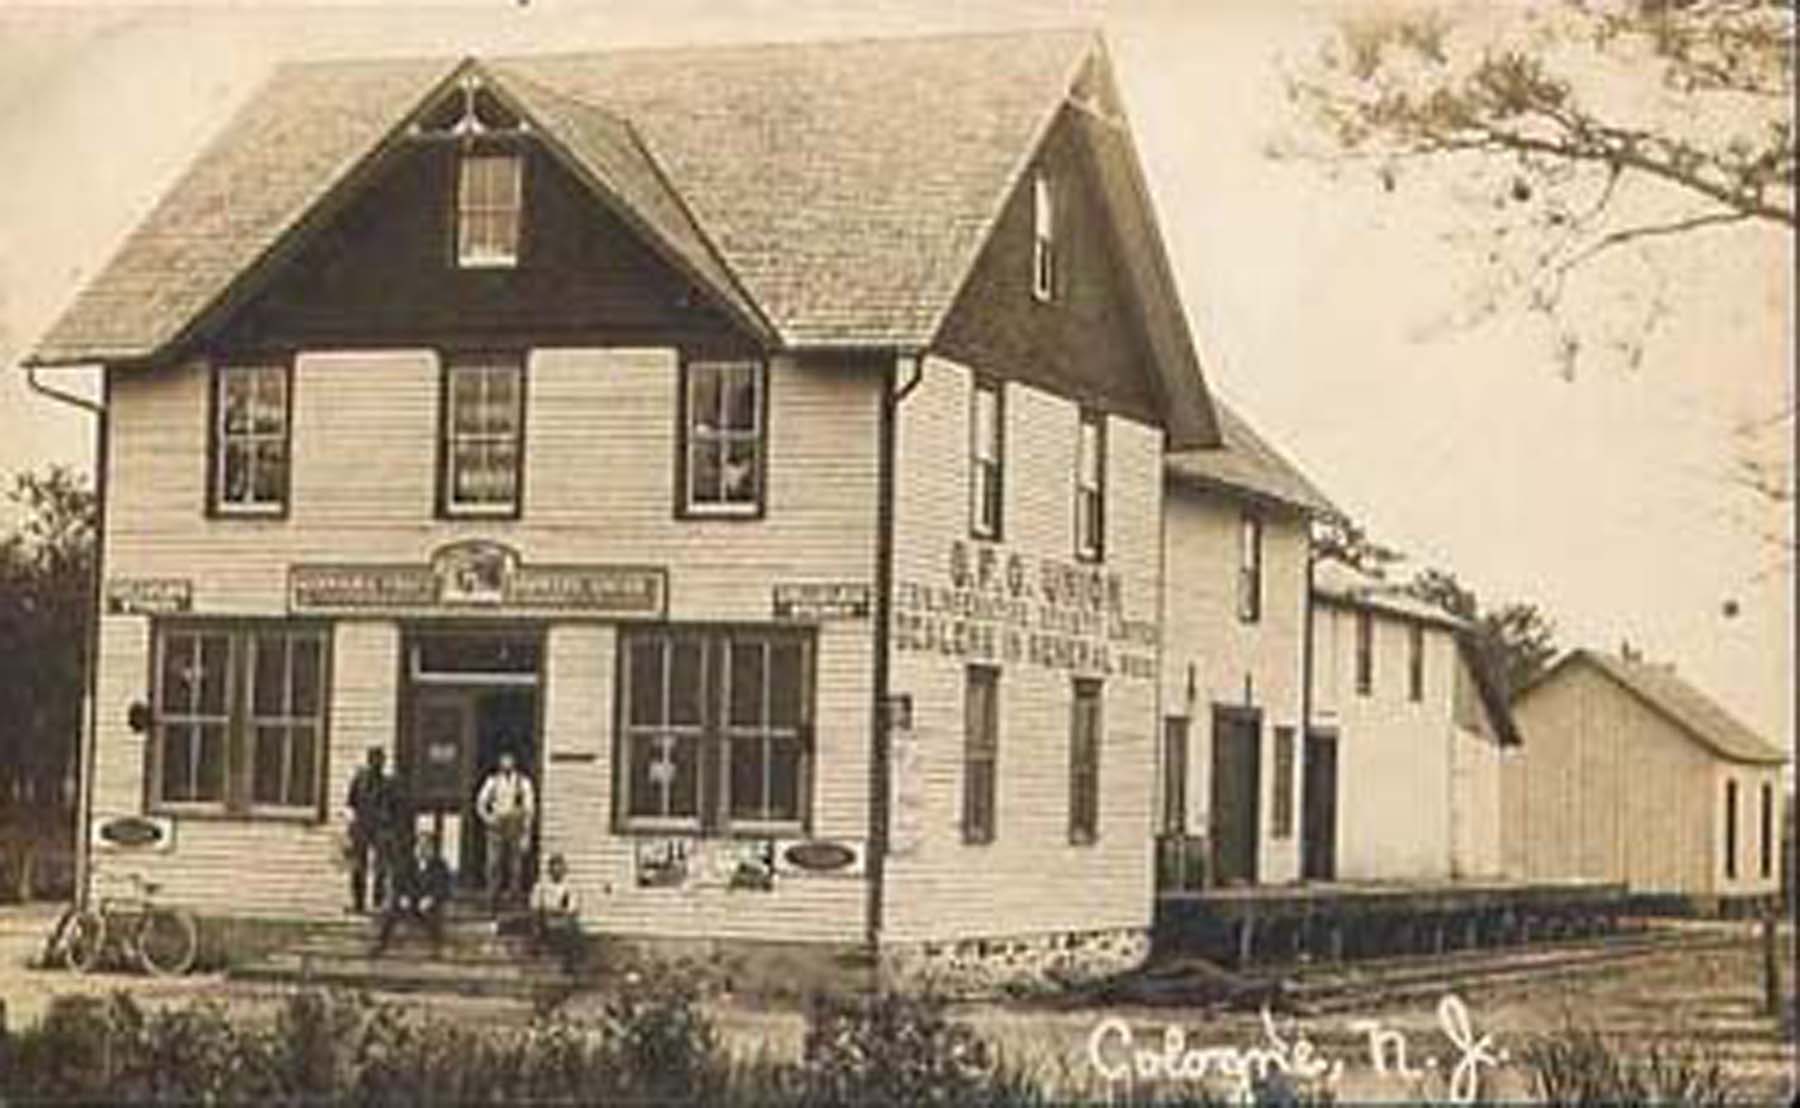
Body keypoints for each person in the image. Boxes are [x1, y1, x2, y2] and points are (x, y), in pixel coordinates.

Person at [344, 746, 403, 914]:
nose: (378, 763)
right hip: (362, 826)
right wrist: (351, 825)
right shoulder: (359, 780)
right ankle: (358, 902)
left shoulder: (387, 783)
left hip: (380, 827)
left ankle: (377, 900)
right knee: (358, 865)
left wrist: (390, 827)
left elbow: (393, 808)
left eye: (381, 760)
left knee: (381, 866)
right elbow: (350, 804)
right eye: (375, 759)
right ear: (369, 760)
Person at [475, 750, 536, 912]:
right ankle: (492, 897)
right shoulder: (492, 781)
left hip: (515, 824)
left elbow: (529, 808)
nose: (507, 763)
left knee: (515, 863)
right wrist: (489, 818)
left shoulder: (523, 782)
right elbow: (481, 803)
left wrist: (526, 829)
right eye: (504, 760)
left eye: (510, 759)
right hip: (497, 823)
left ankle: (513, 896)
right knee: (493, 862)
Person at [373, 832, 453, 954]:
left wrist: (431, 898)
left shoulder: (440, 866)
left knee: (436, 915)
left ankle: (437, 947)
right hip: (410, 901)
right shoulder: (406, 864)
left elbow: (443, 887)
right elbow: (398, 883)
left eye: (427, 847)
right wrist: (402, 897)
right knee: (391, 911)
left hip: (428, 904)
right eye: (420, 846)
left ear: (432, 849)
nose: (423, 850)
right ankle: (382, 944)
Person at [526, 852, 585, 974]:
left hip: (562, 920)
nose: (556, 871)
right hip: (545, 920)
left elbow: (572, 908)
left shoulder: (570, 887)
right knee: (535, 920)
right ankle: (535, 949)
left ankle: (570, 963)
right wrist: (550, 911)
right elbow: (535, 905)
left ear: (564, 870)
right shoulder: (541, 886)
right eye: (553, 867)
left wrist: (560, 912)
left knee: (573, 928)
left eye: (559, 867)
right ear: (549, 870)